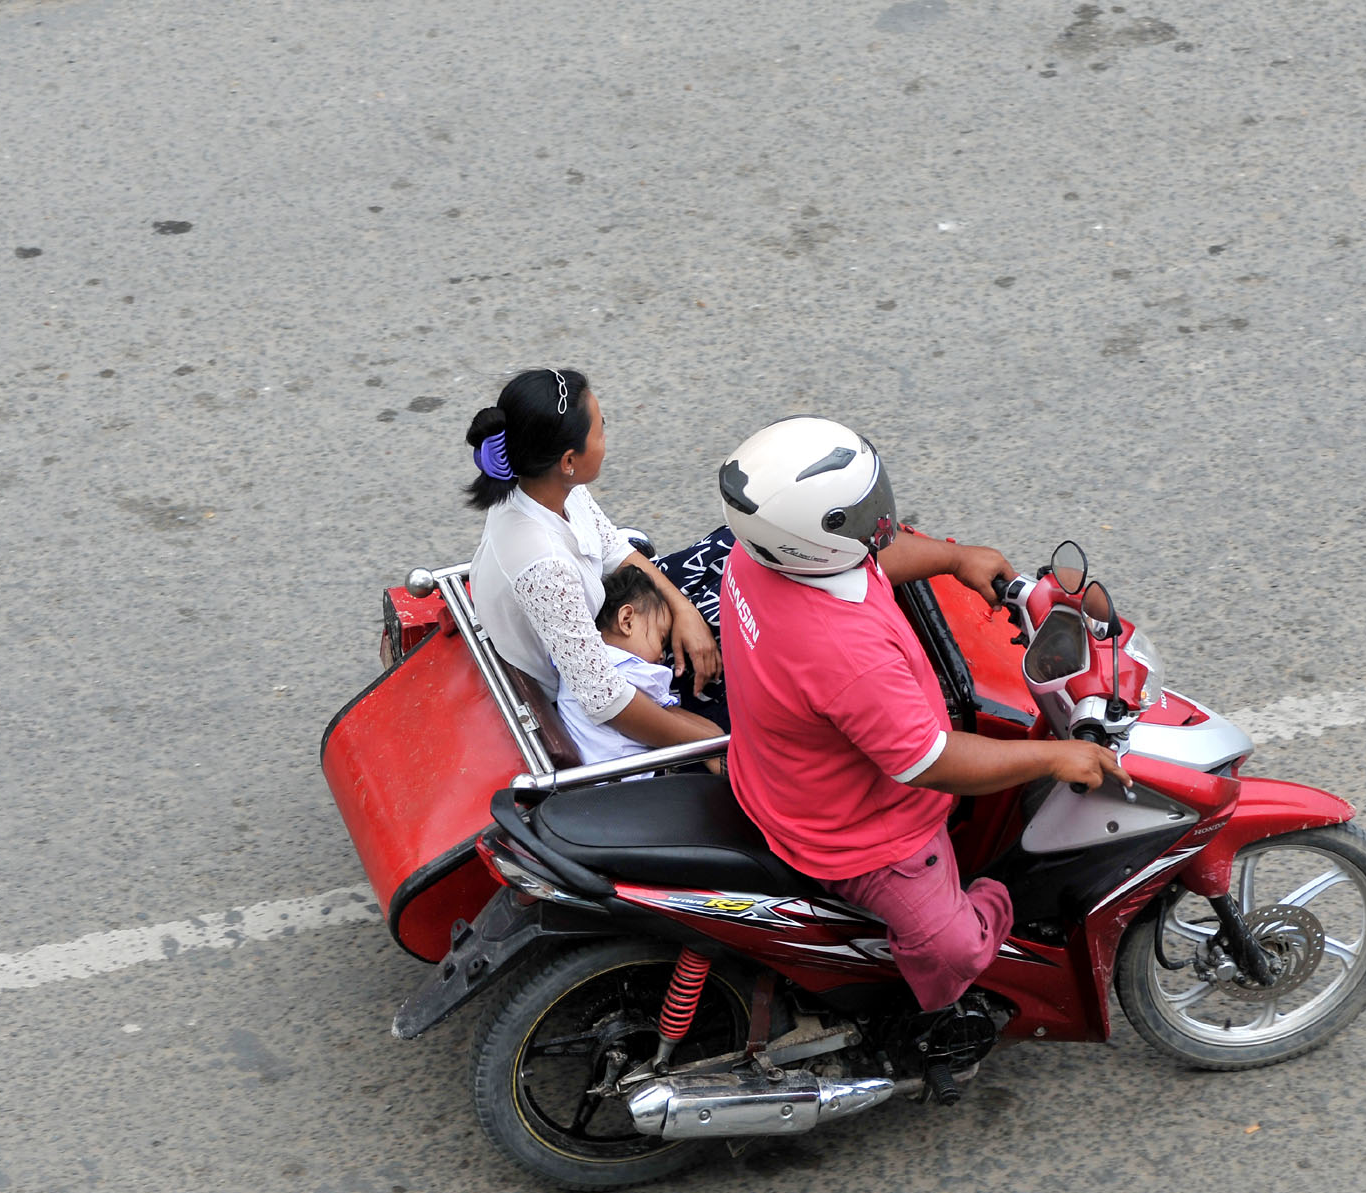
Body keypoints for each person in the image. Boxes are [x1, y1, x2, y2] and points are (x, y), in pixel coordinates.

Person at [715, 416, 1130, 1012]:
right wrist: (1056, 755)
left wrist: (951, 560)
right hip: (862, 836)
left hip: (779, 778)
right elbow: (929, 760)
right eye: (862, 514)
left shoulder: (759, 558)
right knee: (954, 947)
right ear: (821, 533)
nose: (880, 519)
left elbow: (872, 559)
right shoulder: (845, 652)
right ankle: (928, 1010)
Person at [465, 368, 722, 754]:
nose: (605, 436)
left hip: (599, 633)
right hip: (588, 683)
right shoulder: (543, 565)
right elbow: (605, 700)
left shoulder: (551, 487)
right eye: (600, 430)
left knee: (725, 550)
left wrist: (683, 610)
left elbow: (615, 550)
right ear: (568, 460)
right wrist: (715, 745)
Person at [555, 565, 685, 768]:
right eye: (661, 638)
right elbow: (671, 715)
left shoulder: (576, 662)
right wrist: (717, 734)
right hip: (635, 780)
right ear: (627, 621)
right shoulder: (630, 668)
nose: (662, 656)